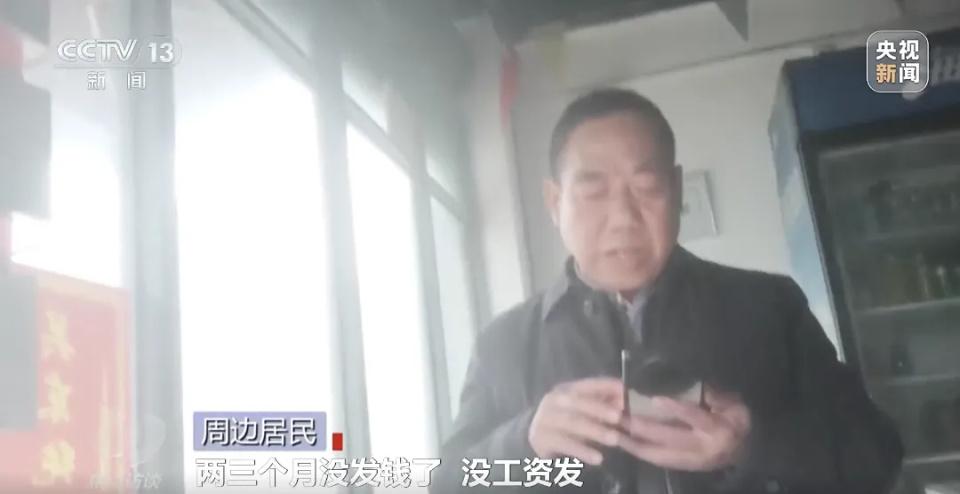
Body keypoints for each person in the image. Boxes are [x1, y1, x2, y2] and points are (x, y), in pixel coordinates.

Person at [431, 88, 903, 493]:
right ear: (555, 203)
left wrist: (752, 444)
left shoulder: (769, 307)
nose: (623, 218)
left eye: (646, 186)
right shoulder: (504, 344)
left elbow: (877, 455)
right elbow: (446, 482)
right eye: (594, 192)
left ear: (676, 190)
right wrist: (524, 440)